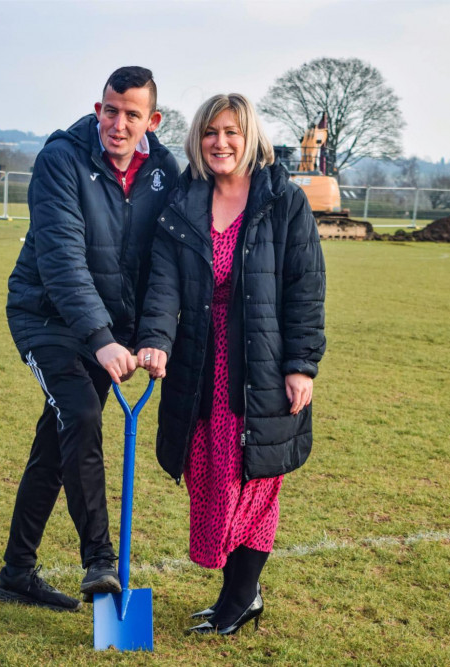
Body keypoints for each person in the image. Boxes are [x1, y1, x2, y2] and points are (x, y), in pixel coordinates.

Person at [136, 93, 325, 634]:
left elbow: (305, 288)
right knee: (209, 476)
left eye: (231, 132)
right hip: (199, 363)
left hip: (262, 363)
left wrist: (301, 365)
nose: (221, 143)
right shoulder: (184, 201)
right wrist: (155, 339)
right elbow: (162, 282)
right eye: (211, 133)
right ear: (198, 140)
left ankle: (240, 598)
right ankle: (242, 592)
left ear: (250, 138)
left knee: (254, 480)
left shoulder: (283, 200)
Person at [0, 66, 179, 612]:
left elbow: (162, 269)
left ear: (153, 120)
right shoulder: (61, 160)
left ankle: (16, 572)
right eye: (110, 110)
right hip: (46, 317)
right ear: (98, 108)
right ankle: (101, 560)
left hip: (111, 333)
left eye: (132, 115)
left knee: (57, 444)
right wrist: (100, 337)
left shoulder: (164, 172)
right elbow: (61, 259)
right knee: (80, 415)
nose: (117, 125)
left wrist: (153, 337)